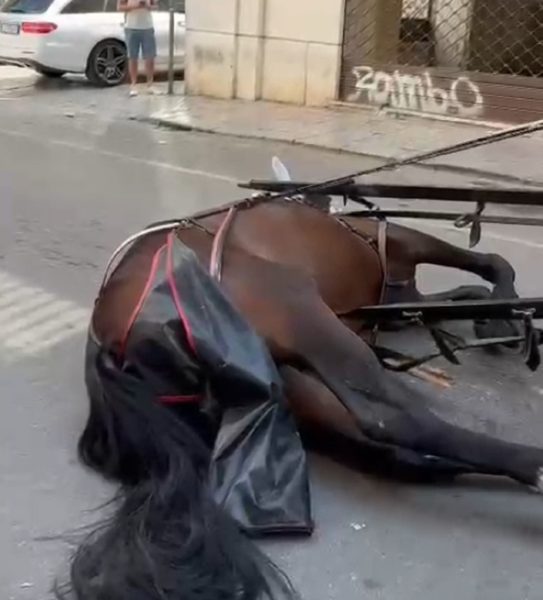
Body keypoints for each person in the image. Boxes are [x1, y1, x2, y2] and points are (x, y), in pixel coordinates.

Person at [117, 0, 158, 96]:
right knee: (133, 57)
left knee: (150, 57)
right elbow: (119, 7)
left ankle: (150, 85)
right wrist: (134, 6)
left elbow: (155, 6)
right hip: (131, 27)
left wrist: (148, 6)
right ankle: (133, 85)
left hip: (147, 27)